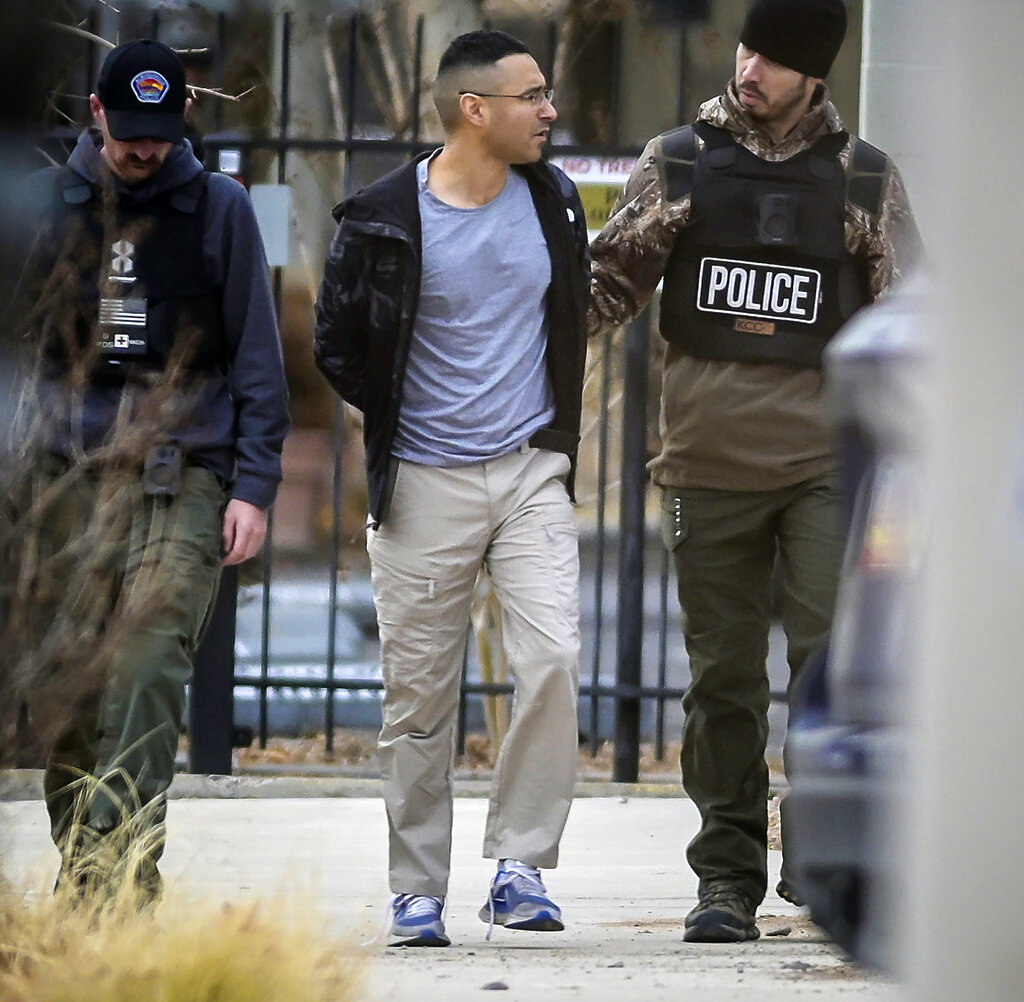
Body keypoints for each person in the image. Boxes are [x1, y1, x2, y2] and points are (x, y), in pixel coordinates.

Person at [588, 0, 921, 943]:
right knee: (723, 679)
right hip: (705, 465)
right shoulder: (682, 162)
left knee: (830, 662)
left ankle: (821, 861)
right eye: (748, 48)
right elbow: (602, 288)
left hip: (824, 470)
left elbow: (912, 318)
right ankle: (726, 877)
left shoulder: (862, 180)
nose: (750, 68)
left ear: (814, 74)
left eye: (774, 59)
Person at [314, 29, 589, 947]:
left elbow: (573, 316)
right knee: (419, 700)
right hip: (424, 481)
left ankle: (520, 865)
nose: (550, 111)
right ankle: (417, 889)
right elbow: (338, 346)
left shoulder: (552, 200)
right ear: (476, 110)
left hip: (528, 472)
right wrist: (410, 419)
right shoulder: (383, 217)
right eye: (533, 96)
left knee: (552, 660)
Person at [20, 38, 289, 902]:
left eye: (161, 132)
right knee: (70, 693)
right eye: (128, 131)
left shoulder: (220, 211)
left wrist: (253, 487)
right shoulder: (44, 210)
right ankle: (89, 866)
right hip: (63, 479)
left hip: (184, 473)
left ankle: (113, 884)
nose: (144, 148)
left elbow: (258, 358)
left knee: (143, 671)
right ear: (95, 114)